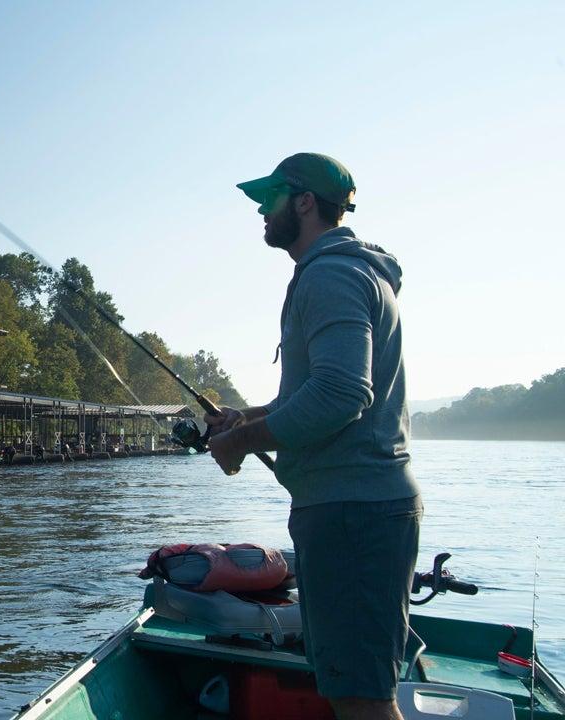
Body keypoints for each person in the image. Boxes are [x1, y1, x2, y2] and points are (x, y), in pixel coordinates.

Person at [204, 153, 422, 720]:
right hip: (348, 510)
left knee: (362, 703)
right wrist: (246, 418)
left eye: (270, 197)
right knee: (352, 692)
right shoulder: (341, 272)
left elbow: (343, 394)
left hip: (354, 514)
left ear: (304, 202)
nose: (261, 209)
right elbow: (318, 391)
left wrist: (242, 442)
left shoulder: (331, 275)